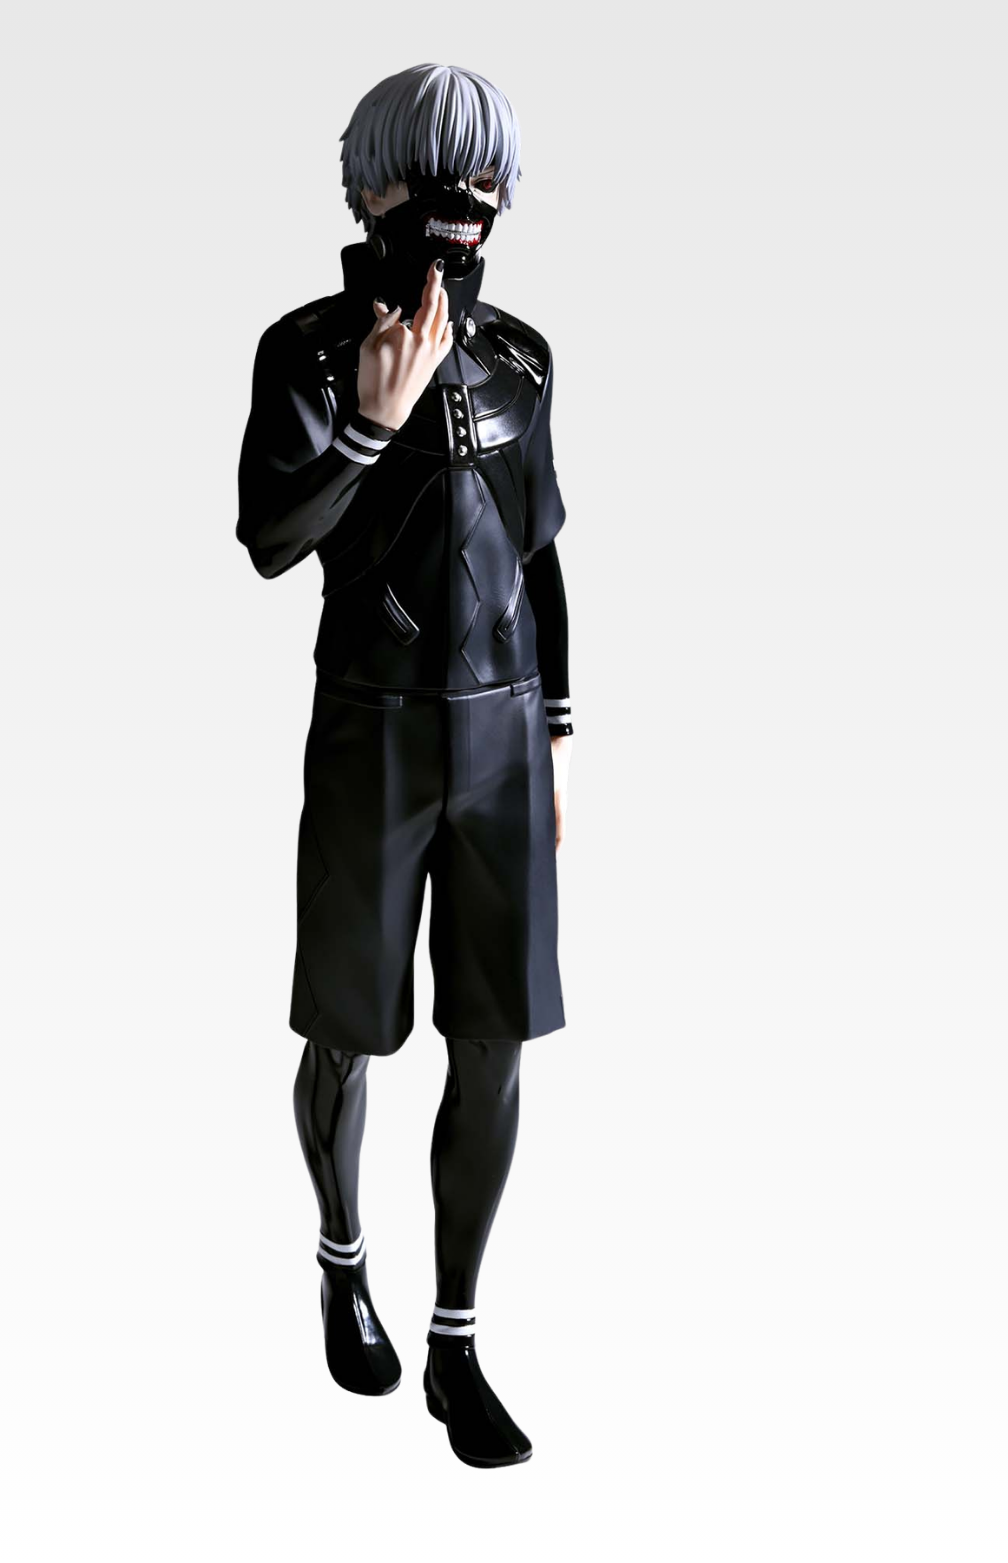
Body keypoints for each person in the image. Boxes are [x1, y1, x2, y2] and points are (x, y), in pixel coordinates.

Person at [235, 63, 574, 1469]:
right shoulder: (307, 351)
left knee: (494, 1039)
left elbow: (540, 554)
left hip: (500, 741)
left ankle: (457, 1340)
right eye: (427, 172)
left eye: (480, 177)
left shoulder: (524, 361)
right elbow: (268, 537)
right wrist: (372, 422)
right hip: (371, 731)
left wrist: (557, 736)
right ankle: (341, 1256)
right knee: (348, 1029)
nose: (457, 201)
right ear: (366, 185)